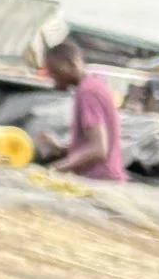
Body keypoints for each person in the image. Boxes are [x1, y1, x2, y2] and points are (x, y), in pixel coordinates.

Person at [40, 35, 126, 180]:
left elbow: (98, 150)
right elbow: (93, 144)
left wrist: (55, 169)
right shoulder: (94, 85)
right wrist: (61, 148)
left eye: (55, 71)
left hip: (100, 180)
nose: (53, 78)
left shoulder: (88, 92)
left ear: (73, 64)